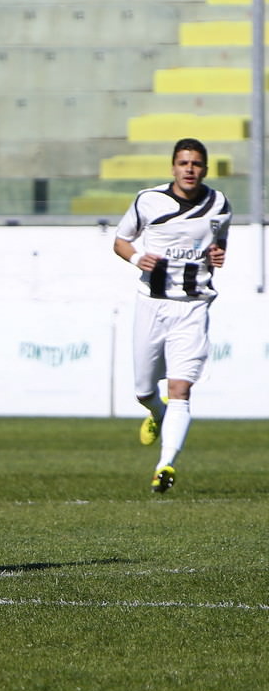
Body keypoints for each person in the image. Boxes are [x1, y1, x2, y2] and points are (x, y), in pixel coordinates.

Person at [113, 138, 231, 493]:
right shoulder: (148, 200)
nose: (190, 169)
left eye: (196, 164)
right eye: (183, 163)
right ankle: (156, 412)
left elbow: (218, 242)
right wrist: (136, 258)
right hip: (152, 302)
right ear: (173, 167)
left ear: (205, 169)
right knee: (143, 390)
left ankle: (165, 465)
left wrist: (217, 254)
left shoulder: (219, 203)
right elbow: (121, 241)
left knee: (181, 387)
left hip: (194, 305)